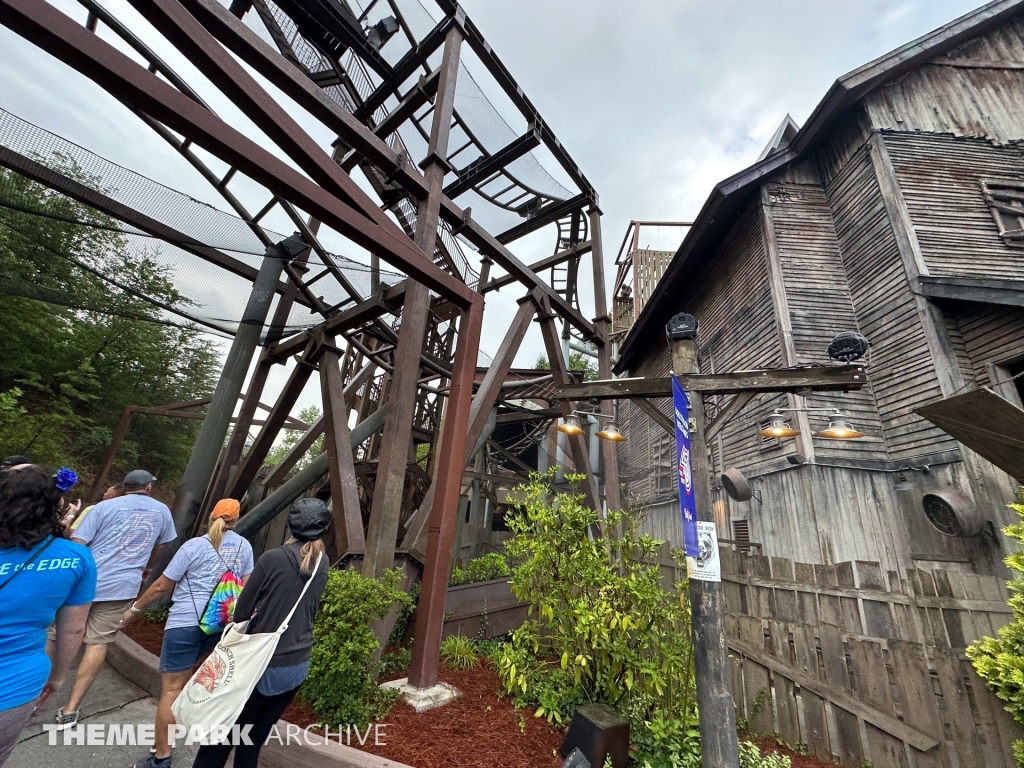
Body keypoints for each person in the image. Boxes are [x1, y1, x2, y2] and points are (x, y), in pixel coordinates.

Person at [190, 498, 330, 768]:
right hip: (297, 664)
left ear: (291, 524)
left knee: (219, 739)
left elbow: (241, 611)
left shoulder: (273, 558)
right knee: (251, 742)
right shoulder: (322, 562)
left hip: (262, 664)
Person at [125, 500, 254, 768]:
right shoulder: (244, 546)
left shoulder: (193, 546)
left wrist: (134, 609)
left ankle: (161, 757)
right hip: (220, 624)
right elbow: (247, 585)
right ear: (236, 520)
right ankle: (180, 740)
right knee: (203, 686)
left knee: (171, 690)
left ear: (211, 517)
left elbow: (162, 585)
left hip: (185, 623)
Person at [55, 469, 176, 729]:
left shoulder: (103, 507)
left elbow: (78, 542)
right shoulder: (162, 511)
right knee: (98, 643)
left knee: (56, 635)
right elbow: (163, 545)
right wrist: (148, 565)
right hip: (122, 586)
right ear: (149, 488)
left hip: (84, 582)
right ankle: (70, 709)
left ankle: (33, 699)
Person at [0, 465, 95, 767]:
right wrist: (57, 677)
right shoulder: (76, 559)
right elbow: (71, 630)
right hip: (16, 686)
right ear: (55, 506)